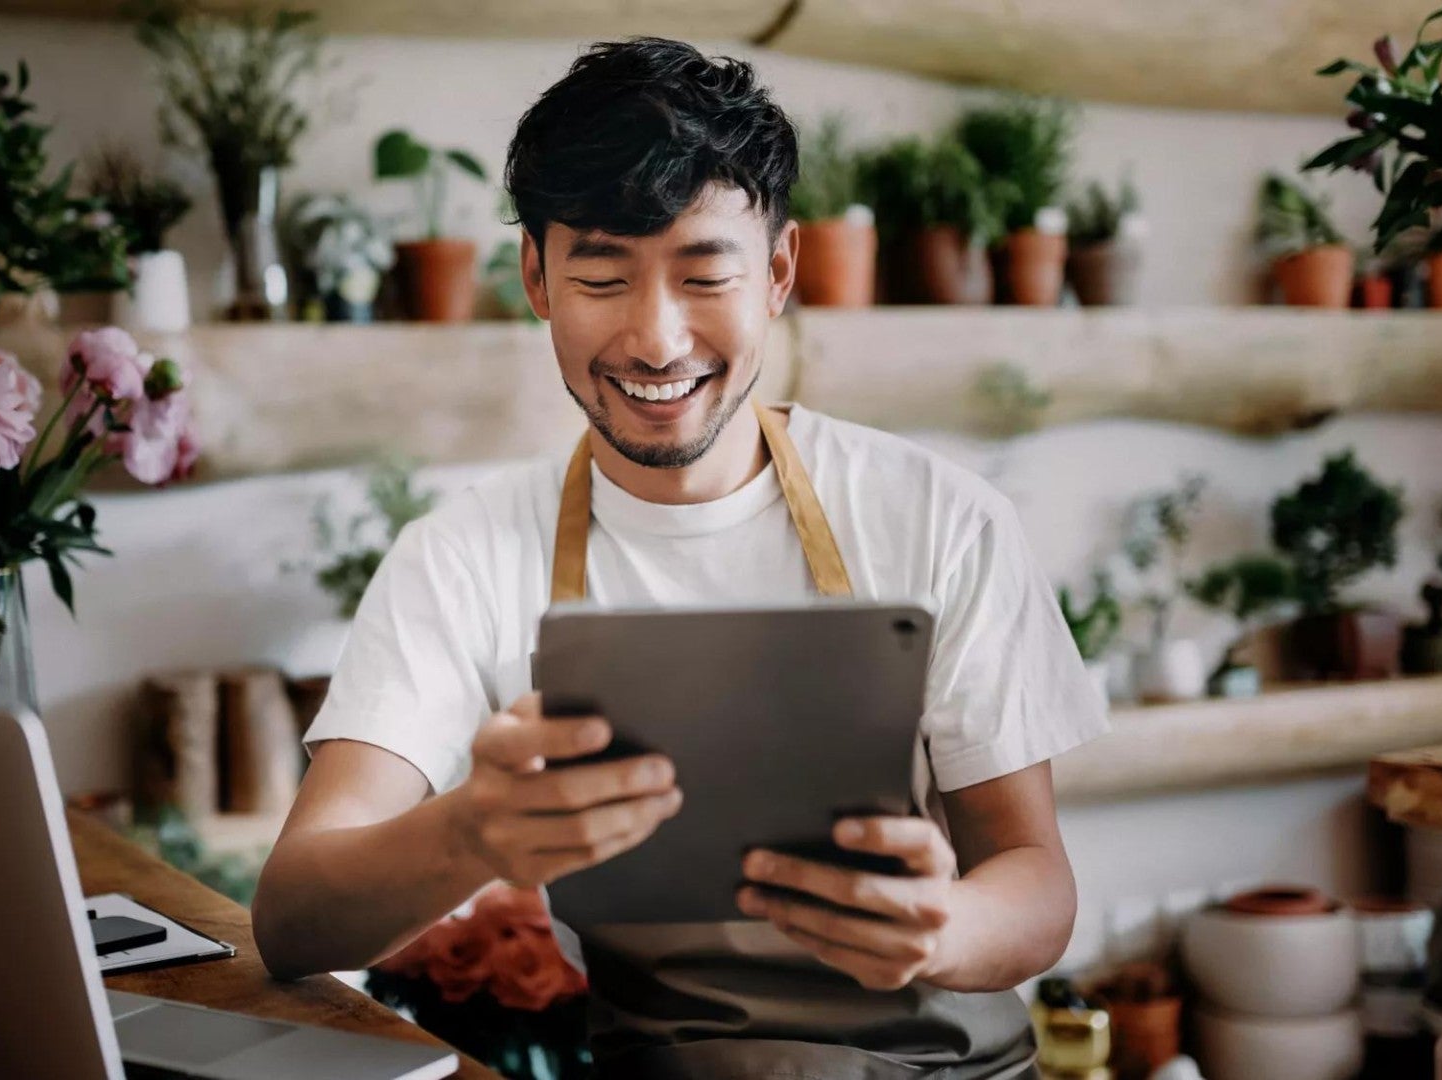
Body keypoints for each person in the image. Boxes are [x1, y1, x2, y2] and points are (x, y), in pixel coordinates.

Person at [252, 37, 1107, 1078]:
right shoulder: (460, 559)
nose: (655, 340)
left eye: (705, 274)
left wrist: (943, 928)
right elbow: (292, 920)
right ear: (536, 277)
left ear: (780, 271)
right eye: (603, 277)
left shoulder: (939, 518)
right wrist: (473, 832)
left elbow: (1036, 882)